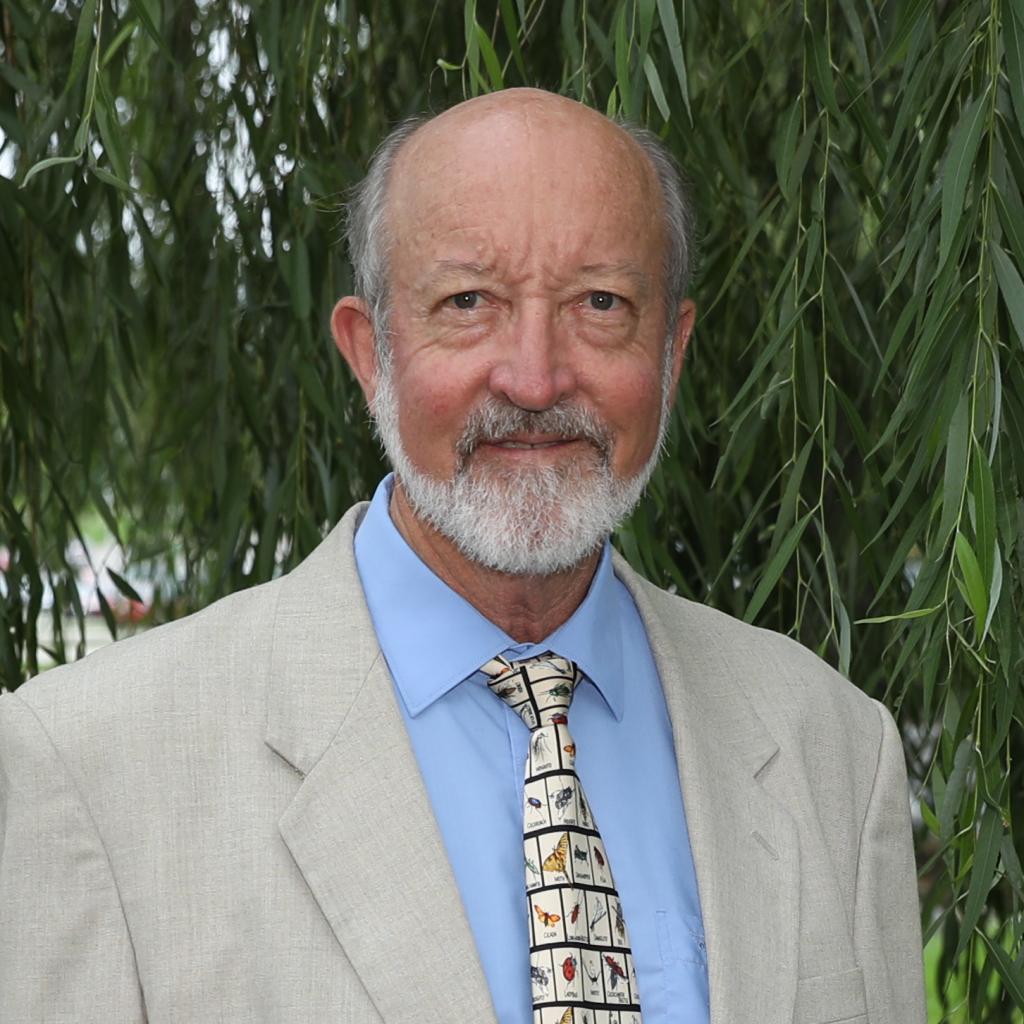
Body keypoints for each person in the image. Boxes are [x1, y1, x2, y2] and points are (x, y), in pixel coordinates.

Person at [0, 88, 924, 1024]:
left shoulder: (836, 752)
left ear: (672, 354)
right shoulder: (91, 769)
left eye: (600, 303)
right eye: (469, 302)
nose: (534, 378)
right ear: (370, 354)